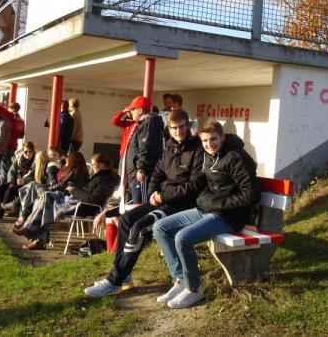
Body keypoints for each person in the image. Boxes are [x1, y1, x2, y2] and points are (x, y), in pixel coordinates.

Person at [84, 110, 204, 298]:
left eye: (181, 127)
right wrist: (153, 192)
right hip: (162, 199)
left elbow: (194, 186)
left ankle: (115, 280)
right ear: (169, 129)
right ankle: (122, 276)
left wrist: (163, 196)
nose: (178, 131)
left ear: (188, 126)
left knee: (139, 227)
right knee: (125, 220)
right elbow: (157, 171)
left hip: (182, 205)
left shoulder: (198, 149)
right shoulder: (170, 147)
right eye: (174, 128)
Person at [153, 121, 260, 309]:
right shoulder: (209, 156)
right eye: (204, 140)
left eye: (213, 139)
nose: (209, 144)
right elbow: (208, 187)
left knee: (182, 238)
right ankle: (180, 280)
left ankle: (194, 289)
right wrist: (205, 200)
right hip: (208, 211)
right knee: (160, 227)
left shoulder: (236, 157)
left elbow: (251, 195)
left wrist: (218, 204)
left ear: (222, 137)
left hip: (228, 217)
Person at [12, 152, 93, 250]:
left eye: (68, 159)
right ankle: (35, 236)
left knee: (44, 198)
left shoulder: (75, 171)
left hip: (70, 201)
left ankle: (30, 230)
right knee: (44, 199)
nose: (66, 161)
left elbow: (62, 184)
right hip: (66, 197)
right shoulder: (80, 171)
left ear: (73, 160)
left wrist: (49, 188)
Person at [121, 96, 164, 207]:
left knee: (142, 206)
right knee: (137, 205)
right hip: (136, 174)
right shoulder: (144, 124)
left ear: (140, 110)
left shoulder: (149, 123)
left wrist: (142, 168)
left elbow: (146, 147)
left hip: (142, 174)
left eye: (132, 110)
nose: (130, 113)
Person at [0, 141, 36, 221]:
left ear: (33, 151)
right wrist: (11, 182)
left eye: (30, 152)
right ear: (22, 151)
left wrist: (25, 181)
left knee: (10, 191)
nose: (28, 154)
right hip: (16, 182)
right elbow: (11, 171)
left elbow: (36, 177)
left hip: (27, 185)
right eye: (25, 152)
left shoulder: (36, 162)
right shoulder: (19, 158)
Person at [0, 102, 26, 182]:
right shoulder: (22, 121)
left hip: (6, 144)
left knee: (4, 168)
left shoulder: (11, 116)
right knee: (8, 167)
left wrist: (2, 104)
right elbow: (21, 135)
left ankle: (3, 186)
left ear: (12, 109)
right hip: (14, 145)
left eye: (9, 108)